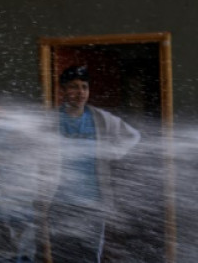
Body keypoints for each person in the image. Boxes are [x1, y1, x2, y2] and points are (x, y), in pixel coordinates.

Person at [44, 65, 140, 263]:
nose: (80, 92)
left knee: (89, 256)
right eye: (74, 87)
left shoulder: (101, 118)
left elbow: (133, 136)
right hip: (60, 203)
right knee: (62, 255)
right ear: (62, 90)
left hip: (93, 204)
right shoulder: (49, 120)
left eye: (84, 87)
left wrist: (111, 152)